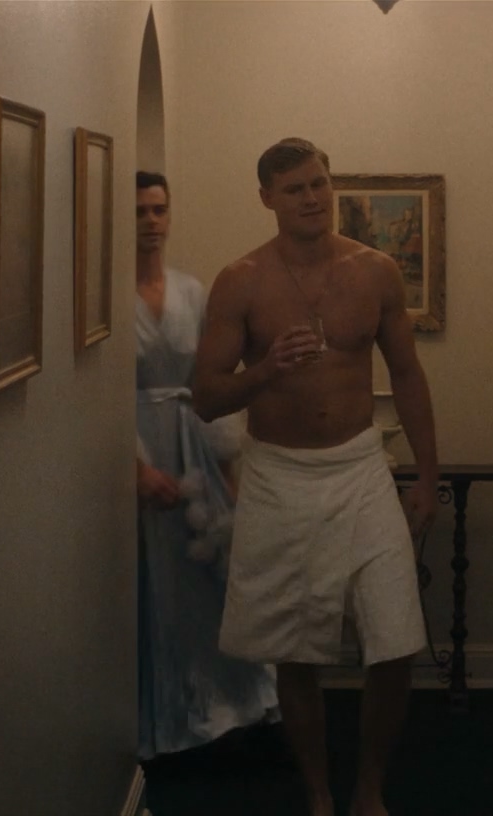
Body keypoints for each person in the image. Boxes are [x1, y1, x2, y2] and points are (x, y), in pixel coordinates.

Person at [193, 139, 439, 816]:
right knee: (294, 648)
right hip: (279, 475)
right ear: (267, 198)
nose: (312, 198)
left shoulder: (375, 271)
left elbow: (408, 375)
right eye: (295, 188)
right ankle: (320, 792)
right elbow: (206, 396)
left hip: (360, 467)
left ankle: (369, 787)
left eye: (319, 183)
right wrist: (267, 369)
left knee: (395, 639)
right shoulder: (241, 281)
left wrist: (426, 476)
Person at [133, 170, 278, 761]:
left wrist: (227, 470)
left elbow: (208, 383)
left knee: (207, 579)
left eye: (158, 209)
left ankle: (222, 706)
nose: (151, 222)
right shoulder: (103, 296)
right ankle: (159, 713)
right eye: (139, 211)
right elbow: (95, 398)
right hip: (139, 447)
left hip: (193, 446)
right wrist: (134, 469)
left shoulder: (192, 292)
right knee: (149, 585)